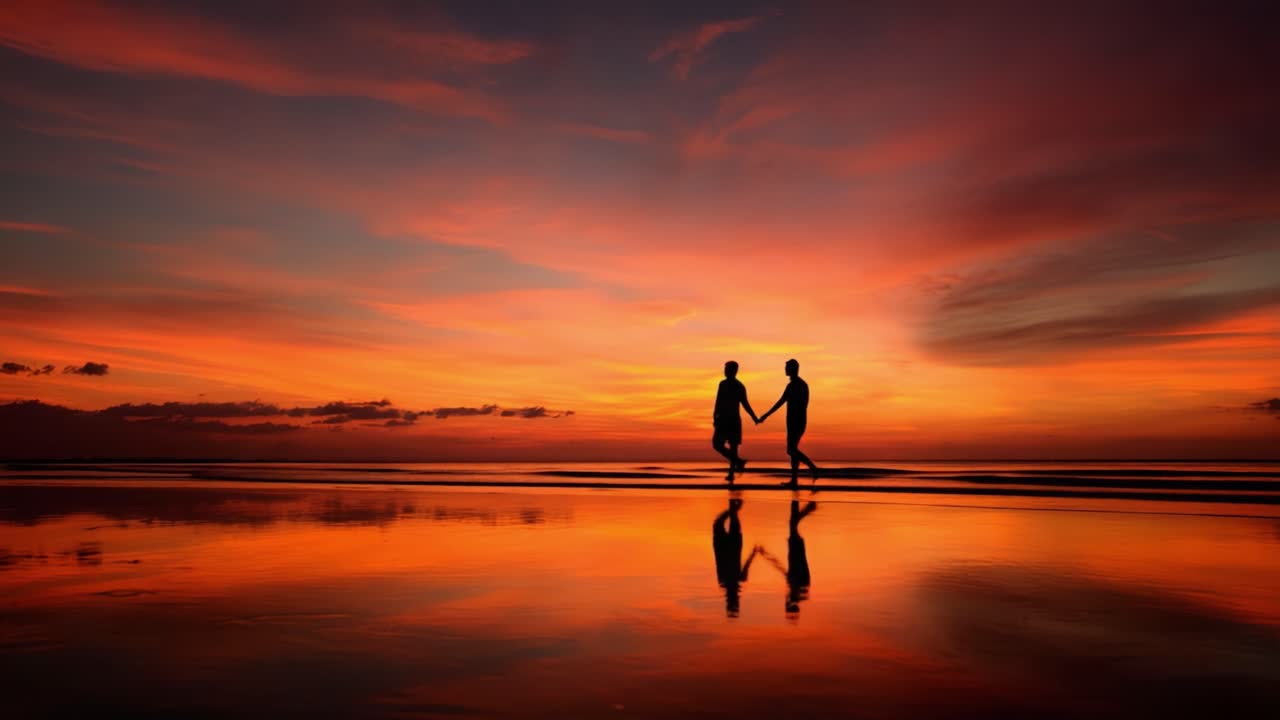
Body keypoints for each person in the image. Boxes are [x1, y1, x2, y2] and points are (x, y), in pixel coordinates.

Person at [757, 358, 819, 487]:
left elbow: (781, 402)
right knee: (793, 450)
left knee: (791, 450)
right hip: (797, 420)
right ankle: (794, 479)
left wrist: (766, 415)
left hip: (795, 421)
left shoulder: (795, 385)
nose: (785, 369)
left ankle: (812, 468)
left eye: (787, 367)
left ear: (793, 369)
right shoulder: (801, 384)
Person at [758, 500, 816, 619]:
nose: (785, 600)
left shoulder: (796, 587)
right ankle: (808, 508)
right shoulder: (797, 587)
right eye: (787, 603)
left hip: (795, 550)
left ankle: (796, 499)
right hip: (796, 550)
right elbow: (792, 567)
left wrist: (766, 555)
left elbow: (780, 567)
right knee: (792, 523)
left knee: (792, 522)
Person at [713, 361, 758, 483]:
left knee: (733, 447)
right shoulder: (723, 384)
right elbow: (718, 401)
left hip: (731, 419)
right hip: (724, 419)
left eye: (727, 369)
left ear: (733, 370)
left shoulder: (738, 386)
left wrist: (754, 417)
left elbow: (745, 403)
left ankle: (731, 473)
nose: (725, 371)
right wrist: (715, 417)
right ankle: (737, 462)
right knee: (717, 444)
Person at [712, 498, 758, 617]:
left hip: (728, 546)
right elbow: (746, 565)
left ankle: (734, 505)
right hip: (727, 546)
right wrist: (753, 553)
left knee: (723, 521)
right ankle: (733, 504)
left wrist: (754, 553)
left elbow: (746, 564)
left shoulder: (734, 580)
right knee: (721, 522)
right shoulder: (725, 581)